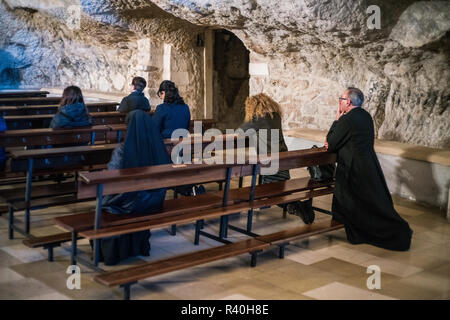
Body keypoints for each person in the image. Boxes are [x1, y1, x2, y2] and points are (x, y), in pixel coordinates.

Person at [325, 87, 412, 251]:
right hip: (369, 164)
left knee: (360, 204)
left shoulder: (347, 119)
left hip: (354, 168)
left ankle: (385, 232)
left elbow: (331, 144)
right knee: (372, 201)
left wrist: (336, 119)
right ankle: (395, 230)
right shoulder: (365, 116)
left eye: (341, 99)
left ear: (348, 102)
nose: (339, 102)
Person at [96, 109, 171, 265]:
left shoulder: (124, 149)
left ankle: (112, 252)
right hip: (154, 201)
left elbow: (112, 178)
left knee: (104, 202)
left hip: (129, 204)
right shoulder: (158, 147)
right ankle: (139, 245)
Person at [239, 93, 314, 224]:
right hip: (283, 157)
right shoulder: (275, 116)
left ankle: (297, 207)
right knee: (280, 186)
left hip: (269, 160)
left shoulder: (258, 118)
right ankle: (298, 205)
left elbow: (240, 132)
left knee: (274, 192)